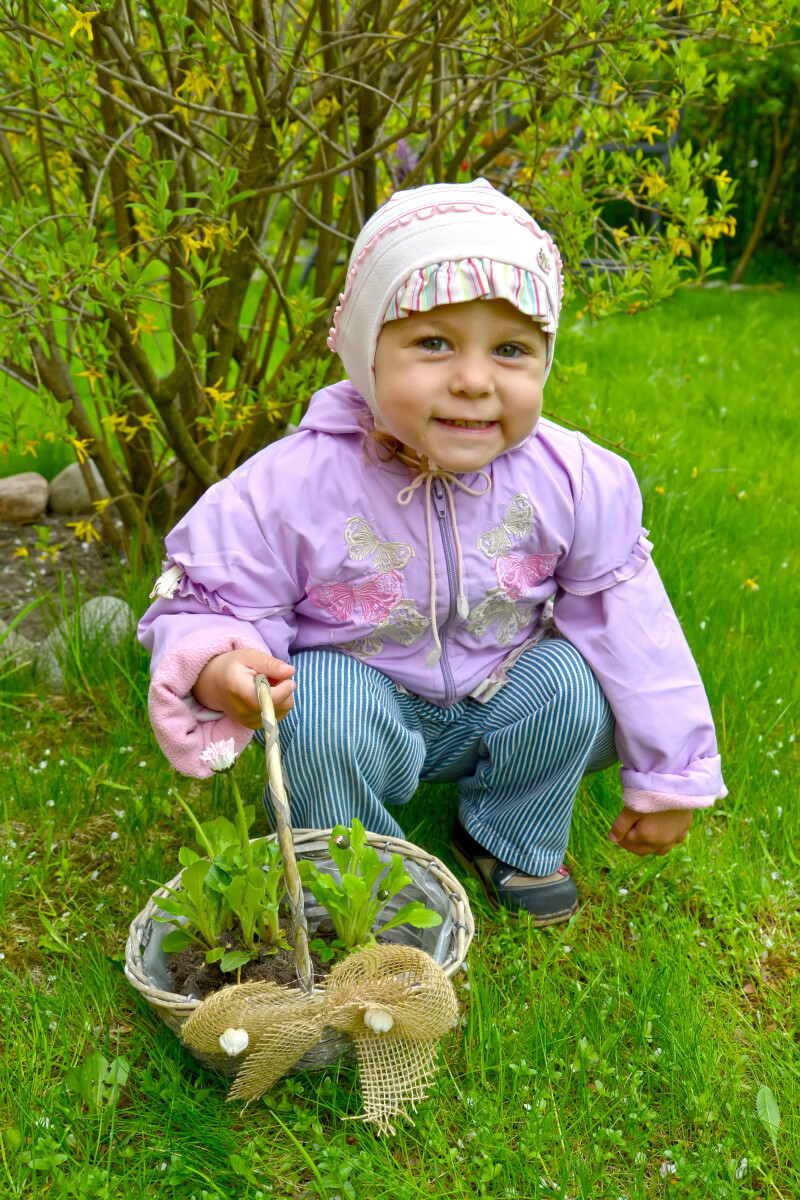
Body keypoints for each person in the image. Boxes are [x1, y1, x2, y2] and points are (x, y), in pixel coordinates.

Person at [138, 178, 726, 926]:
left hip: (498, 691)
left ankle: (504, 832)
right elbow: (213, 601)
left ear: (545, 361)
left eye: (510, 349)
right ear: (367, 353)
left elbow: (631, 621)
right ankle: (360, 877)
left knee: (578, 680)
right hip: (365, 706)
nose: (475, 380)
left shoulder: (575, 480)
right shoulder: (291, 485)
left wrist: (671, 776)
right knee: (319, 705)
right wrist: (224, 666)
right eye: (434, 343)